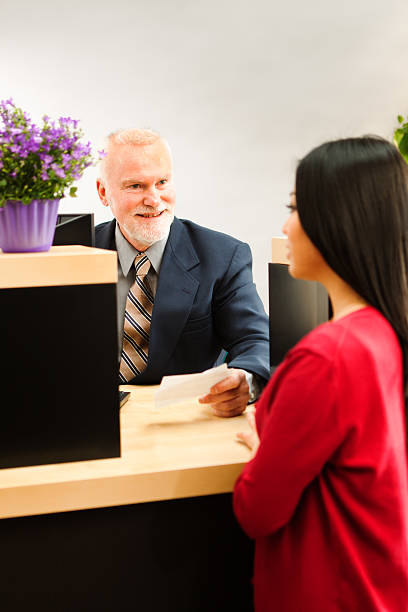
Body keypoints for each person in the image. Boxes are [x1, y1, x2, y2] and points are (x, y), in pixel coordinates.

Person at [233, 136, 408, 611]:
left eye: (294, 208)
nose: (286, 227)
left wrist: (263, 448)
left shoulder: (328, 357)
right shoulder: (381, 332)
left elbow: (257, 510)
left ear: (337, 222)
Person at [95, 128, 270, 417]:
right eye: (136, 186)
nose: (153, 199)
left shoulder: (223, 256)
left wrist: (246, 381)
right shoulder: (69, 252)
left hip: (184, 418)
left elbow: (255, 340)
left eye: (162, 182)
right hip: (90, 418)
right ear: (104, 192)